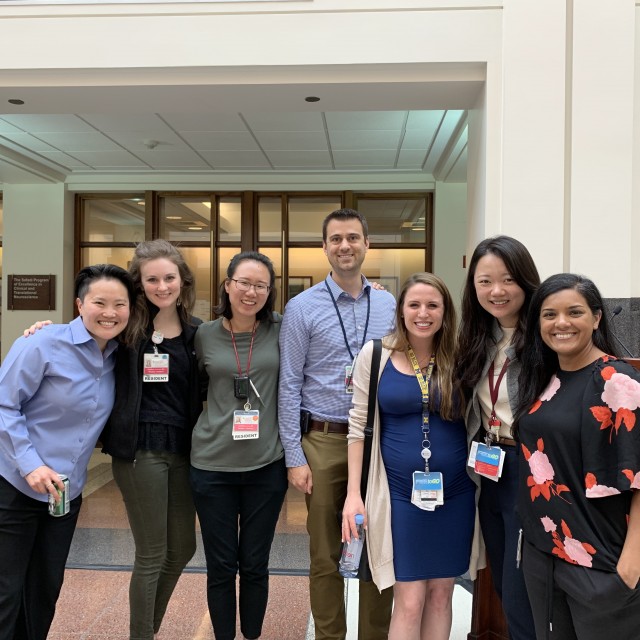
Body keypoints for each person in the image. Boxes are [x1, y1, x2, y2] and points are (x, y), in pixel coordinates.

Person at [278, 208, 396, 640]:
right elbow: (289, 383)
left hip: (380, 440)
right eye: (335, 239)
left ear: (367, 243)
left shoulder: (388, 303)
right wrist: (295, 456)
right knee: (326, 553)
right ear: (324, 247)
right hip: (324, 440)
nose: (345, 246)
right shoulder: (301, 307)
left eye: (353, 237)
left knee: (379, 545)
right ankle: (330, 635)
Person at [0, 264, 134, 640]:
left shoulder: (119, 357)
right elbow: (5, 405)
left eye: (119, 304)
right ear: (79, 304)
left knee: (44, 590)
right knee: (6, 591)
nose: (109, 312)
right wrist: (30, 465)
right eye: (99, 302)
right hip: (15, 486)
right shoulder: (41, 343)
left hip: (65, 495)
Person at [342, 272, 475, 640]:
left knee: (441, 596)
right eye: (414, 304)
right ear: (400, 310)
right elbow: (357, 427)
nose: (423, 313)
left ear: (446, 312)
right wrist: (355, 494)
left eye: (433, 305)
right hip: (399, 495)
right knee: (410, 598)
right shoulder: (377, 354)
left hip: (456, 495)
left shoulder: (461, 357)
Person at [513, 274, 640, 640]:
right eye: (549, 314)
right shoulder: (547, 379)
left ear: (597, 317)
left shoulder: (617, 380)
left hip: (601, 561)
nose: (561, 323)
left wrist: (630, 566)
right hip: (545, 553)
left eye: (574, 312)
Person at [101, 239, 204, 640]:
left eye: (169, 277)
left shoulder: (197, 332)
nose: (162, 286)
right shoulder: (126, 329)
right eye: (152, 280)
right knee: (151, 554)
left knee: (182, 549)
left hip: (183, 450)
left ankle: (146, 630)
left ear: (182, 280)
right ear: (139, 285)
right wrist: (40, 328)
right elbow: (81, 332)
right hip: (140, 450)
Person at [190, 251, 287, 640]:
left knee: (254, 563)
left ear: (270, 291)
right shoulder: (203, 334)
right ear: (227, 285)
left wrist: (376, 292)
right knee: (220, 564)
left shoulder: (283, 327)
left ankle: (251, 635)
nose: (251, 291)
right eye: (243, 282)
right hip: (212, 465)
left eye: (260, 285)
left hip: (266, 465)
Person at [455, 235, 539, 640]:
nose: (497, 291)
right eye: (485, 281)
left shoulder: (545, 336)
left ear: (525, 280)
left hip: (528, 469)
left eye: (507, 279)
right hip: (488, 469)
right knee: (503, 578)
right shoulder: (479, 337)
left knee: (524, 586)